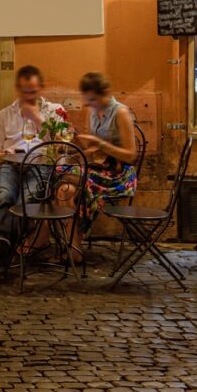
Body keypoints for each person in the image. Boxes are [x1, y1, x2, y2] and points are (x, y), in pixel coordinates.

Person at [0, 65, 71, 275]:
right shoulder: (5, 114)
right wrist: (6, 153)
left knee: (25, 201)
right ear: (18, 89)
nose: (28, 96)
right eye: (24, 91)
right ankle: (2, 248)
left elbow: (61, 144)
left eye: (32, 91)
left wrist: (37, 119)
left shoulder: (54, 112)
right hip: (11, 165)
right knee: (4, 196)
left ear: (40, 88)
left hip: (41, 165)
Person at [73, 72, 139, 259]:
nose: (90, 105)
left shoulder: (121, 112)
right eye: (88, 101)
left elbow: (131, 156)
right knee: (61, 179)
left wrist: (102, 145)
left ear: (104, 93)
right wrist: (76, 141)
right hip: (99, 168)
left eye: (93, 99)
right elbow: (92, 149)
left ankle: (74, 244)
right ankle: (71, 243)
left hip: (120, 174)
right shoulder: (92, 111)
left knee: (79, 183)